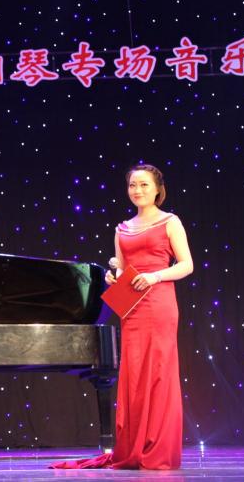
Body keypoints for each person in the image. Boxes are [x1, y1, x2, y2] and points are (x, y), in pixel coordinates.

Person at [52, 164, 193, 470]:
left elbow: (186, 265)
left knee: (158, 372)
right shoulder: (122, 228)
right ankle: (133, 446)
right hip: (133, 308)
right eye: (132, 185)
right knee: (134, 374)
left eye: (144, 185)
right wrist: (113, 277)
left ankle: (157, 447)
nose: (137, 190)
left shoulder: (170, 221)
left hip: (159, 302)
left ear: (158, 189)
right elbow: (122, 270)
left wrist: (154, 276)